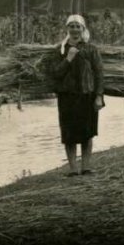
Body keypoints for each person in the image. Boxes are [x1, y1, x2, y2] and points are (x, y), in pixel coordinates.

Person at [49, 14, 105, 177]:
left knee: (87, 133)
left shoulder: (91, 49)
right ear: (67, 29)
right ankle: (73, 169)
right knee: (69, 135)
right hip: (67, 97)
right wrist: (68, 58)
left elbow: (99, 74)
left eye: (77, 26)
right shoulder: (60, 49)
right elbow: (55, 73)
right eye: (71, 26)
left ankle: (86, 167)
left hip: (87, 95)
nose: (74, 29)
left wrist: (99, 96)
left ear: (83, 29)